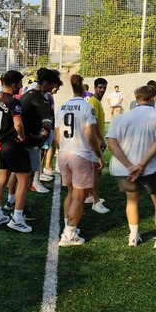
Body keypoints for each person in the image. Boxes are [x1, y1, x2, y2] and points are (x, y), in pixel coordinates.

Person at [107, 85, 156, 250]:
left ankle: (134, 237)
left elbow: (112, 143)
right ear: (154, 97)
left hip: (125, 169)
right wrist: (141, 165)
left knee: (132, 200)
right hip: (151, 168)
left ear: (137, 98)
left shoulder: (121, 117)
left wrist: (130, 166)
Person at [56, 74, 103, 247]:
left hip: (64, 154)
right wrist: (97, 154)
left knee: (70, 192)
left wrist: (63, 149)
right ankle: (69, 233)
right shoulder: (86, 107)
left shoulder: (62, 107)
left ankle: (69, 228)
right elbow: (90, 133)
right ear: (84, 89)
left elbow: (58, 135)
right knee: (80, 196)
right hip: (80, 155)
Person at [0, 70, 33, 233]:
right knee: (24, 179)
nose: (21, 87)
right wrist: (22, 136)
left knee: (2, 180)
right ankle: (17, 218)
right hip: (12, 145)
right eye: (21, 84)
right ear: (14, 84)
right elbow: (17, 123)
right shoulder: (13, 102)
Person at [21, 68, 61, 194]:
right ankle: (19, 211)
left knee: (18, 176)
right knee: (27, 180)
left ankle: (11, 203)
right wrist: (41, 141)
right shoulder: (41, 100)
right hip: (31, 142)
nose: (54, 87)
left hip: (20, 140)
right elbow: (47, 127)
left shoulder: (26, 94)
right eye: (53, 84)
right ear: (46, 83)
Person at [85, 77, 111, 214]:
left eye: (104, 87)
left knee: (95, 171)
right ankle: (95, 202)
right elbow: (91, 125)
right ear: (94, 88)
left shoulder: (97, 102)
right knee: (97, 171)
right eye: (100, 87)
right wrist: (99, 141)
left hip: (94, 142)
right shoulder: (93, 102)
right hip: (93, 143)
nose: (102, 90)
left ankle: (90, 196)